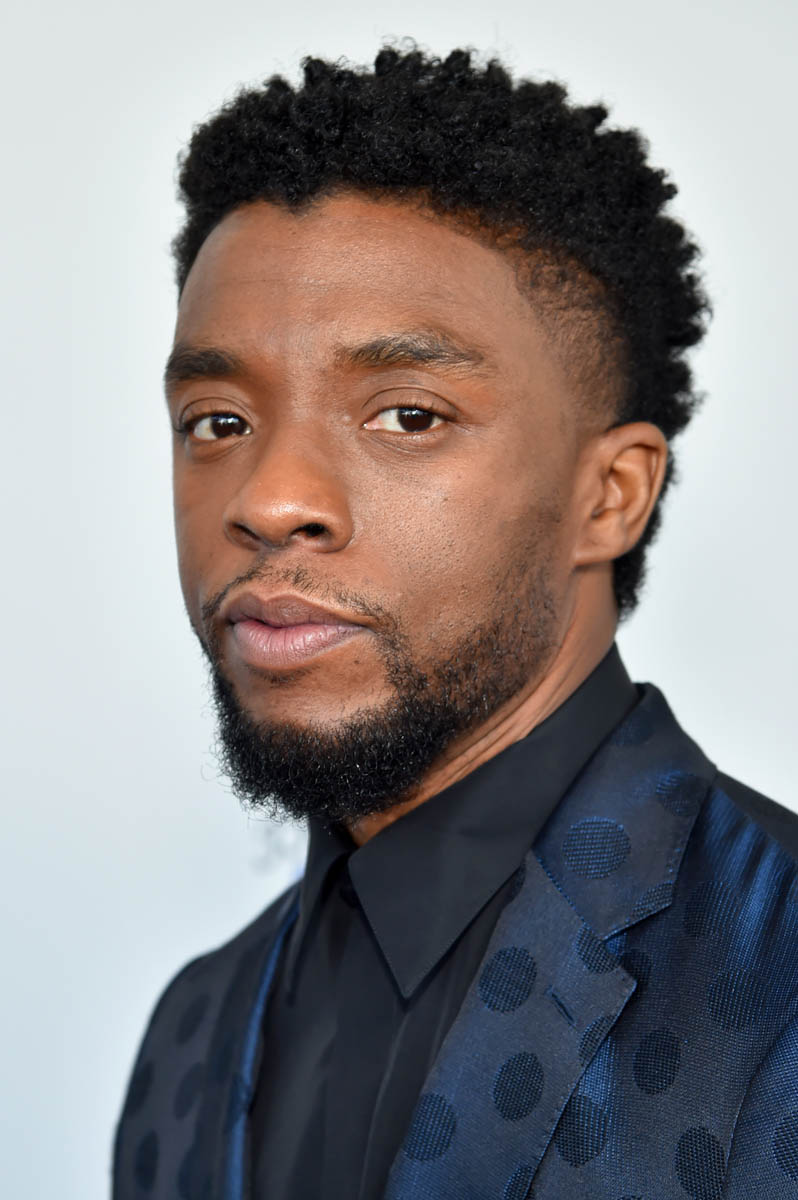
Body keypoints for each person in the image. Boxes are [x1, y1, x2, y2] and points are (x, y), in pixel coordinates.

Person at [112, 44, 798, 1200]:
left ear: (608, 496)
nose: (270, 499)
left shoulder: (775, 970)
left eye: (408, 415)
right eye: (219, 421)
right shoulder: (191, 1033)